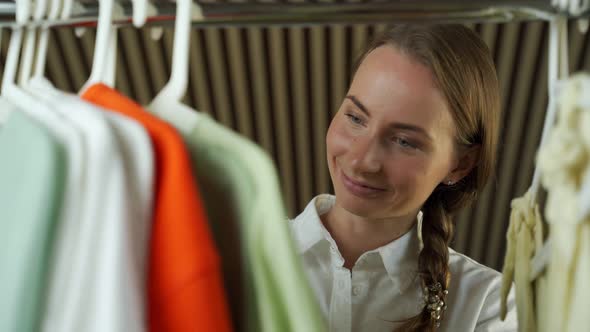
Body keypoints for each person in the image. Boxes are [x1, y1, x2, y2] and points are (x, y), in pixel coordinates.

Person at [289, 24, 517, 332]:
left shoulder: (490, 307)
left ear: (461, 164)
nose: (361, 160)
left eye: (405, 141)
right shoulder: (233, 261)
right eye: (355, 118)